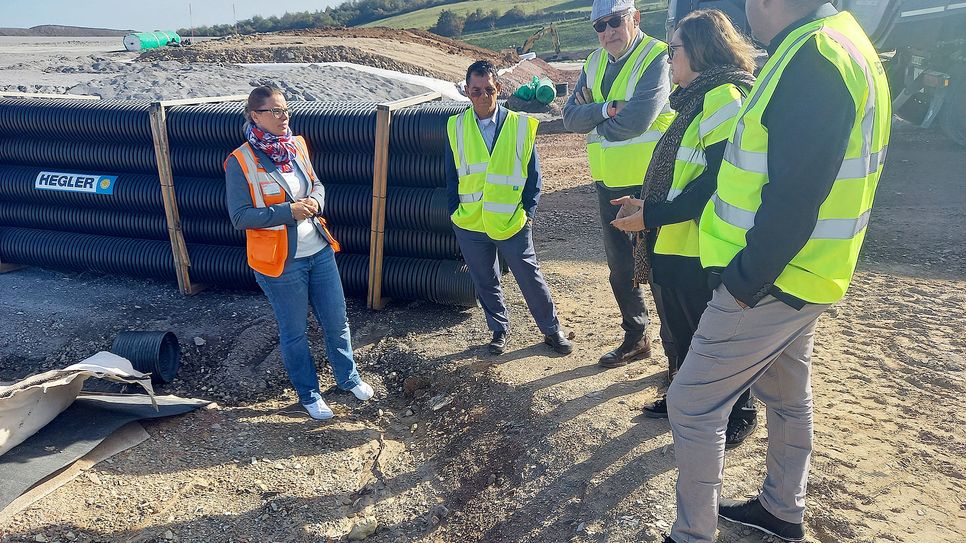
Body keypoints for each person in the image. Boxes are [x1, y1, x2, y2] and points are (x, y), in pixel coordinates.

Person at [661, 0, 892, 541]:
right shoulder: (837, 39)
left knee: (692, 403)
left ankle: (691, 534)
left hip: (771, 280)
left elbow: (794, 196)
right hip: (807, 271)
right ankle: (783, 509)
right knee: (789, 397)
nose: (745, 9)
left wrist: (743, 282)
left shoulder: (817, 56)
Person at [610, 9, 760, 447]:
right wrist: (646, 204)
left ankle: (739, 413)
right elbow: (682, 175)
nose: (669, 58)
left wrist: (649, 216)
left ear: (697, 50)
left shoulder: (723, 99)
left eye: (673, 49)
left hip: (699, 246)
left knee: (707, 339)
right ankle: (680, 396)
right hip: (673, 241)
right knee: (679, 332)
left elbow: (715, 184)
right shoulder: (694, 99)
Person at [225, 85, 375, 421]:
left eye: (285, 109)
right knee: (294, 332)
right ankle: (308, 394)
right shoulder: (241, 161)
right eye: (275, 111)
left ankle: (348, 378)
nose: (283, 117)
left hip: (318, 249)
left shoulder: (297, 145)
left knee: (337, 321)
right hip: (281, 262)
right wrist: (287, 212)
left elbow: (317, 184)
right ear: (255, 116)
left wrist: (315, 202)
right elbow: (240, 216)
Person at [563, 0, 675, 369]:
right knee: (620, 269)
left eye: (615, 22)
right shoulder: (593, 63)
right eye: (599, 25)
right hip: (608, 183)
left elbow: (640, 119)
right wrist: (610, 109)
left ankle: (677, 352)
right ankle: (636, 336)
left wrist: (593, 113)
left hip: (651, 184)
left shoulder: (657, 56)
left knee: (660, 270)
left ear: (635, 18)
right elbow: (569, 118)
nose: (607, 32)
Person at [446, 60, 573, 356]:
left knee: (530, 276)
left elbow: (534, 175)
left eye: (489, 89)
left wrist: (528, 213)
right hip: (470, 222)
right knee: (485, 280)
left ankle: (552, 330)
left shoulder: (518, 125)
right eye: (476, 91)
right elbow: (451, 174)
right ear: (467, 91)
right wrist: (455, 213)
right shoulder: (456, 126)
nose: (483, 96)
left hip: (511, 221)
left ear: (498, 89)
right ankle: (499, 329)